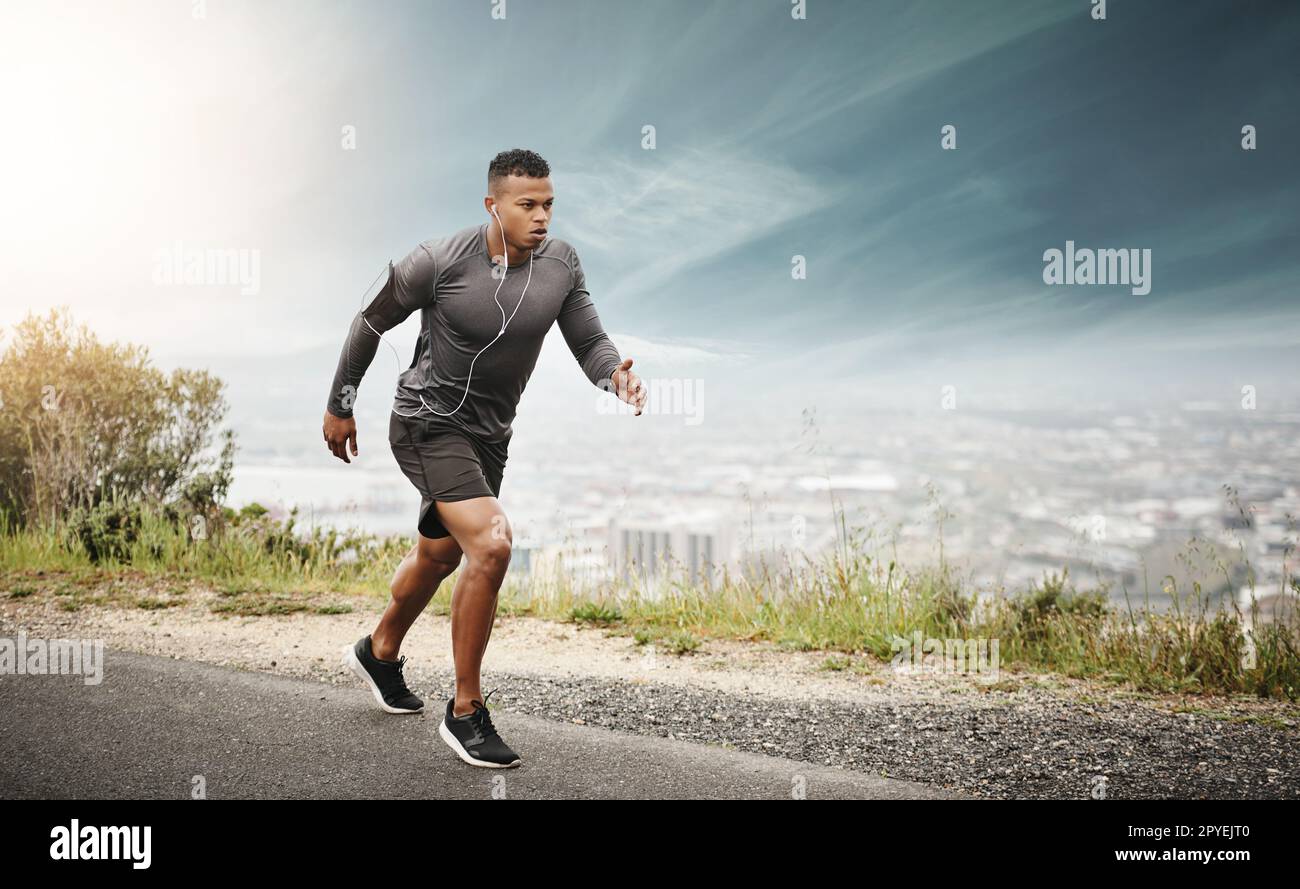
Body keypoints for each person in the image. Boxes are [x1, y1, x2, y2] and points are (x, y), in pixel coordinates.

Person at [323, 148, 646, 768]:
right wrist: (341, 405)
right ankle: (465, 711)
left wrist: (615, 377)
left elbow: (589, 342)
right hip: (426, 422)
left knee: (443, 552)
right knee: (492, 544)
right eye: (527, 205)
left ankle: (379, 649)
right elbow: (368, 324)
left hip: (489, 436)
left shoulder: (561, 265)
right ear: (492, 204)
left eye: (549, 204)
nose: (542, 217)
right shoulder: (436, 261)